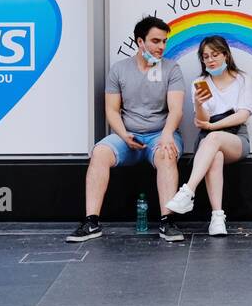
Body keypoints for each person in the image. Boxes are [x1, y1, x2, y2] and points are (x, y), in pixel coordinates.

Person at [68, 15, 187, 242]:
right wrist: (124, 135)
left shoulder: (172, 69)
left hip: (159, 134)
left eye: (164, 41)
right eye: (155, 41)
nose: (161, 46)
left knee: (166, 153)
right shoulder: (119, 70)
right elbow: (112, 110)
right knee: (100, 152)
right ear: (140, 42)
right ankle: (91, 222)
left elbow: (176, 110)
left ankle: (167, 222)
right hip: (126, 135)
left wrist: (166, 135)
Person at [164, 36, 252, 236]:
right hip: (207, 140)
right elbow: (201, 120)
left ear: (226, 55)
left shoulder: (242, 78)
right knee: (215, 155)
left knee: (213, 139)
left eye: (215, 54)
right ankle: (217, 218)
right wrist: (197, 103)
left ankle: (187, 191)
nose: (211, 60)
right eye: (205, 57)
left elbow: (243, 114)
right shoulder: (200, 82)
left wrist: (214, 126)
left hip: (236, 137)